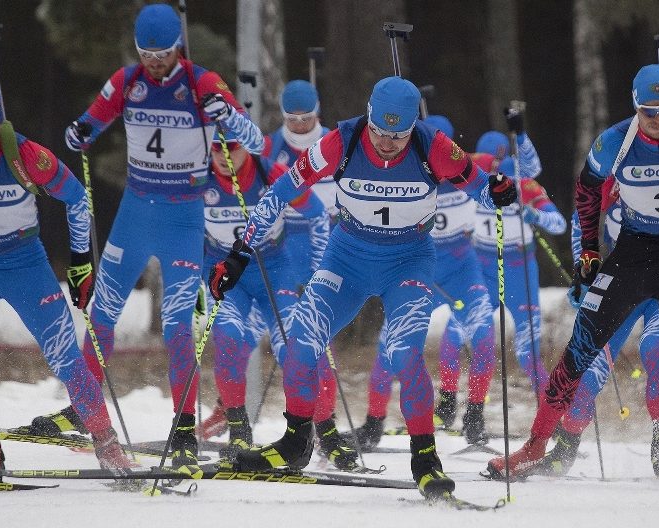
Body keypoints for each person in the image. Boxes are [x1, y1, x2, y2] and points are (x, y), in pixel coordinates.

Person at [209, 76, 518, 497]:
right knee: (300, 339)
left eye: (398, 135)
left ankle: (425, 458)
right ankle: (296, 442)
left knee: (405, 352)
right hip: (347, 259)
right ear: (368, 116)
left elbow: (482, 188)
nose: (388, 143)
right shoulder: (342, 141)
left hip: (407, 261)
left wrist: (498, 191)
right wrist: (239, 253)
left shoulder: (435, 146)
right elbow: (280, 193)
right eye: (380, 132)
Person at [492, 64, 659, 484]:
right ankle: (535, 447)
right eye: (648, 110)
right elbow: (585, 192)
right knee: (581, 346)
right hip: (633, 254)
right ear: (635, 106)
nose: (657, 119)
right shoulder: (614, 143)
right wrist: (587, 252)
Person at [30, 3, 263, 470]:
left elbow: (254, 141)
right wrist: (79, 133)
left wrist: (229, 118)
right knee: (102, 316)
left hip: (183, 218)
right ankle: (83, 407)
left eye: (163, 54)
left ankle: (182, 429)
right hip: (135, 214)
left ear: (179, 47)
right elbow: (88, 122)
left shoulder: (203, 83)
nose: (155, 63)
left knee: (179, 328)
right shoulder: (126, 81)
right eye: (147, 53)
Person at [0, 77, 132, 481]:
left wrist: (82, 261)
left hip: (24, 264)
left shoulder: (28, 156)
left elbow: (77, 198)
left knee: (64, 355)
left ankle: (105, 442)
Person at [513, 180, 659, 482]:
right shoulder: (614, 181)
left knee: (657, 351)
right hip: (626, 284)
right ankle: (567, 443)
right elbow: (580, 219)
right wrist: (584, 270)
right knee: (588, 371)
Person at [199, 132, 359, 470]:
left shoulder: (269, 172)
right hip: (230, 275)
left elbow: (315, 214)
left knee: (297, 347)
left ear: (246, 148)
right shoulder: (201, 179)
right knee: (227, 338)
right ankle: (239, 431)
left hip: (274, 271)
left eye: (233, 149)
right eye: (217, 150)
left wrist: (318, 269)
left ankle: (325, 432)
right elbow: (183, 228)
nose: (226, 157)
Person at [352, 114, 501, 447]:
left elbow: (514, 166)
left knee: (483, 334)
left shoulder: (468, 167)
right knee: (389, 344)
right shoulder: (408, 170)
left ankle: (474, 417)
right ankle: (373, 423)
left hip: (463, 269)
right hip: (421, 270)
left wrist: (510, 173)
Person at [470, 129, 564, 403]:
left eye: (503, 165)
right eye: (491, 165)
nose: (499, 174)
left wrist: (534, 214)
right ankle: (471, 414)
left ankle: (550, 415)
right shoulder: (470, 184)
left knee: (528, 351)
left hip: (518, 270)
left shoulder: (525, 185)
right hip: (482, 268)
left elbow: (559, 223)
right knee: (478, 341)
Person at [263, 80, 337, 287]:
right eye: (292, 119)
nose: (300, 125)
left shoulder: (334, 144)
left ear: (317, 113)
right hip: (289, 237)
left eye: (306, 118)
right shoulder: (271, 147)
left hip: (329, 234)